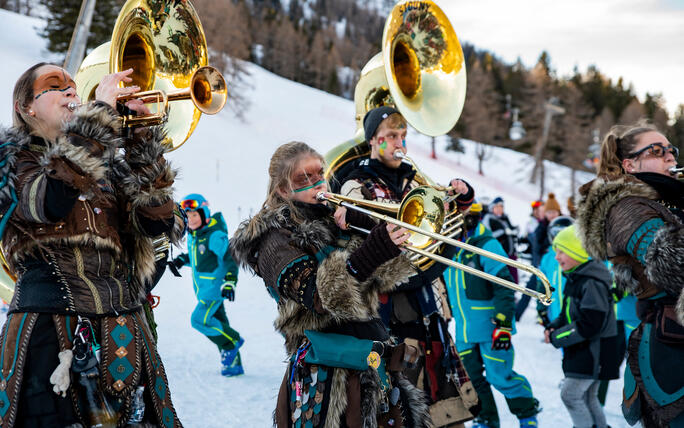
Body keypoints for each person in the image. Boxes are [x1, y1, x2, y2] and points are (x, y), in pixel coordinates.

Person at [0, 63, 184, 426]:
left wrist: (141, 143)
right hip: (48, 335)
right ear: (26, 107)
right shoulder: (11, 160)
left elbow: (159, 222)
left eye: (73, 86)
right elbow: (49, 200)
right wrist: (100, 117)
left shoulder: (103, 167)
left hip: (125, 335)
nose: (72, 92)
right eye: (55, 86)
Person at [230, 142, 435, 426]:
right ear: (283, 190)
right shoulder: (274, 239)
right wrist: (371, 249)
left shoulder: (333, 220)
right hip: (327, 379)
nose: (318, 183)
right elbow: (319, 296)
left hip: (372, 361)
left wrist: (368, 226)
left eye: (320, 174)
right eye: (305, 178)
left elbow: (385, 277)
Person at [335, 106, 479, 427]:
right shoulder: (355, 184)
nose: (400, 143)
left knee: (445, 406)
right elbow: (362, 245)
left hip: (429, 311)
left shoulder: (413, 178)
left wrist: (461, 200)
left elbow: (446, 226)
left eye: (403, 136)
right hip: (389, 314)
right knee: (398, 409)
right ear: (373, 140)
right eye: (390, 137)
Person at [576, 122, 684, 427]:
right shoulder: (626, 207)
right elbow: (673, 261)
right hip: (671, 351)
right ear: (630, 163)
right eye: (656, 150)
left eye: (671, 150)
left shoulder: (668, 202)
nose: (669, 157)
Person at [444, 203, 540, 428]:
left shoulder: (486, 244)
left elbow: (505, 285)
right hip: (465, 330)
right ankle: (486, 419)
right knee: (472, 378)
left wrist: (504, 324)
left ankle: (527, 414)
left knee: (499, 375)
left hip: (491, 327)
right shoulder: (448, 245)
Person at [544, 225, 620, 428]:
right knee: (588, 397)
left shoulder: (591, 281)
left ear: (577, 251)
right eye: (556, 251)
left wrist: (557, 337)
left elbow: (590, 324)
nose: (557, 257)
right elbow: (568, 312)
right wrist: (553, 326)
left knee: (570, 395)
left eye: (562, 251)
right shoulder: (577, 276)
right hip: (586, 349)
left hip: (594, 351)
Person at [169, 193, 244, 377]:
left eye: (195, 214)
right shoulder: (196, 235)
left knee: (199, 320)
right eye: (187, 216)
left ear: (204, 214)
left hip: (213, 290)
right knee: (218, 324)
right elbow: (199, 259)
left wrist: (229, 283)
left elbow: (230, 258)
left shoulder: (214, 235)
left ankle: (233, 341)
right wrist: (181, 260)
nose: (191, 220)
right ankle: (233, 365)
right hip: (203, 290)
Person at [515, 193, 561, 321]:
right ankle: (518, 315)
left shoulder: (562, 225)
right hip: (542, 266)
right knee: (531, 290)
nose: (551, 215)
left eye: (554, 212)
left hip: (559, 266)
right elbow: (537, 246)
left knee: (555, 293)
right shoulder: (541, 227)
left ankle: (551, 318)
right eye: (549, 212)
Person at [535, 215, 575, 327]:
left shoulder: (579, 256)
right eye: (556, 235)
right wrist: (541, 309)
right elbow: (542, 285)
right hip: (555, 314)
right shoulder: (548, 258)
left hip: (576, 316)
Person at [482, 196, 519, 282]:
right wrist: (503, 232)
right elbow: (487, 235)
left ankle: (513, 294)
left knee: (514, 280)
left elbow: (511, 230)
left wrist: (515, 230)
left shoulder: (505, 218)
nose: (499, 209)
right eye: (497, 207)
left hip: (511, 254)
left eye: (501, 207)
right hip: (498, 256)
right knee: (503, 280)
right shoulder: (489, 218)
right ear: (492, 207)